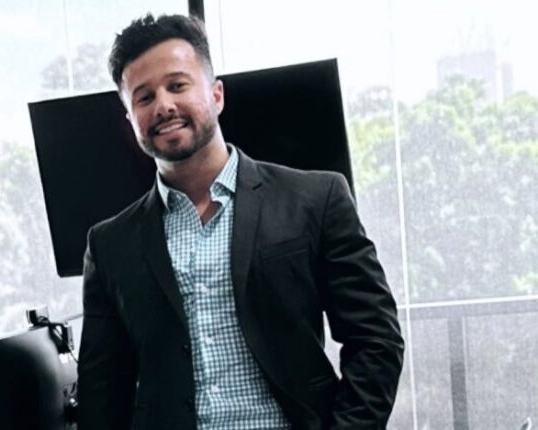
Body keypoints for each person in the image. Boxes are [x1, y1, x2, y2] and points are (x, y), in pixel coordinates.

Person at [77, 13, 404, 430]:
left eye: (177, 85)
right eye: (144, 97)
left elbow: (376, 340)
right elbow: (102, 389)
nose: (163, 106)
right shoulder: (109, 245)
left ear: (216, 95)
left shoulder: (316, 199)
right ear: (131, 120)